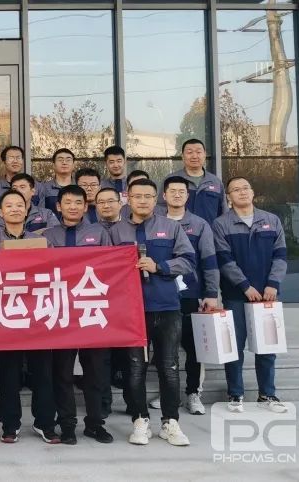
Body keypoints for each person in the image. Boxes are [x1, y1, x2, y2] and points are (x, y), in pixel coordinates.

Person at [108, 178, 194, 447]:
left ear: (156, 199)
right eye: (137, 196)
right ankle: (140, 419)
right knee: (135, 368)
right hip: (132, 311)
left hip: (167, 307)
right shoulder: (115, 231)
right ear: (128, 199)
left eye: (148, 196)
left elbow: (188, 261)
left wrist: (160, 267)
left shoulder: (171, 227)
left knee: (169, 366)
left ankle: (170, 422)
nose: (143, 201)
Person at [0, 190, 59, 444]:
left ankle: (45, 423)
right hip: (7, 315)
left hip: (38, 315)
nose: (14, 209)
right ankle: (10, 424)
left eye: (19, 205)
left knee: (43, 373)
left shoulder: (43, 242)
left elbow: (54, 273)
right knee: (9, 373)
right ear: (0, 212)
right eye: (9, 205)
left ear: (27, 211)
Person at [42, 185, 114, 445]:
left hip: (91, 309)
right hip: (60, 311)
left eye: (78, 203)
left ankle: (95, 424)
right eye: (67, 202)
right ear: (58, 206)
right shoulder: (47, 236)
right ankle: (67, 425)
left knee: (95, 372)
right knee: (62, 373)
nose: (73, 207)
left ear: (86, 206)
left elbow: (111, 267)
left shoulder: (100, 233)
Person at [212, 177, 288, 414]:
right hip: (236, 294)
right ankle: (235, 394)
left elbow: (280, 256)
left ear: (253, 192)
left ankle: (267, 394)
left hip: (267, 295)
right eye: (236, 189)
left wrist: (273, 284)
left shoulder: (271, 220)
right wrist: (245, 286)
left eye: (246, 188)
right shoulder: (221, 224)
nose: (242, 192)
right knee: (234, 346)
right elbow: (224, 259)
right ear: (229, 197)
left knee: (267, 347)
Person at [147, 176, 219, 416]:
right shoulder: (153, 223)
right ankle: (169, 393)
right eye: (172, 191)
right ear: (164, 196)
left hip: (190, 294)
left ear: (188, 196)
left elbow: (209, 260)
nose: (177, 195)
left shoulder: (199, 225)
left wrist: (211, 293)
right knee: (164, 348)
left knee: (193, 346)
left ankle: (193, 392)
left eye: (182, 191)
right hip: (161, 293)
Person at [160, 138, 226, 224]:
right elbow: (160, 208)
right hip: (177, 231)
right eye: (189, 152)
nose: (194, 156)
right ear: (182, 156)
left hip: (210, 231)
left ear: (204, 155)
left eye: (198, 152)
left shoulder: (215, 181)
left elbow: (223, 212)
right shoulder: (171, 180)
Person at [39, 148, 76, 213]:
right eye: (60, 160)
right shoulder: (44, 188)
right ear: (53, 165)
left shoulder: (79, 186)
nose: (64, 163)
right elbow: (41, 213)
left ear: (73, 165)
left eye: (68, 160)